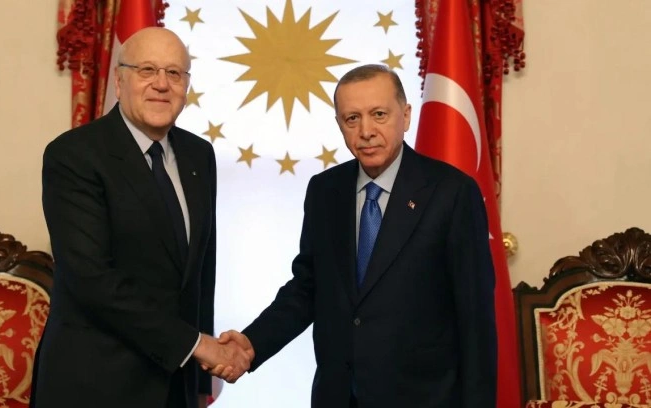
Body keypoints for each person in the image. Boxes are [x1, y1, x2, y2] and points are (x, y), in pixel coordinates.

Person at [215, 64, 497, 407]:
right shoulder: (325, 191)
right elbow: (308, 288)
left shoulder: (452, 193)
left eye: (379, 115)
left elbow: (475, 319)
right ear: (340, 124)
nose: (366, 131)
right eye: (352, 118)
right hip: (338, 397)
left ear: (406, 116)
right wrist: (252, 344)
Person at [30, 27, 252, 408]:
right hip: (94, 384)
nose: (161, 84)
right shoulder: (74, 156)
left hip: (176, 384)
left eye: (174, 73)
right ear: (119, 81)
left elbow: (200, 274)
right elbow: (92, 279)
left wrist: (201, 379)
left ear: (186, 86)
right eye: (147, 70)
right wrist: (197, 346)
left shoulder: (199, 155)